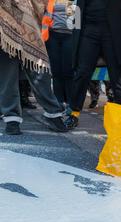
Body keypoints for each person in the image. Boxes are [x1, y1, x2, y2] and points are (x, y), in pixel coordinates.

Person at [65, 0, 121, 129]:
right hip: (88, 29)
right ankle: (73, 114)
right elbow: (77, 5)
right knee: (82, 72)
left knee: (118, 75)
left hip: (113, 30)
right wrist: (75, 28)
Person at [0, 0, 68, 135]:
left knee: (36, 70)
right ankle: (13, 119)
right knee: (14, 75)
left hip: (20, 21)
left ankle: (51, 114)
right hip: (10, 23)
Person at [44, 0, 74, 108]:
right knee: (56, 71)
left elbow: (78, 18)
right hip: (53, 36)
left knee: (68, 71)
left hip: (70, 36)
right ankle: (58, 101)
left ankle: (71, 102)